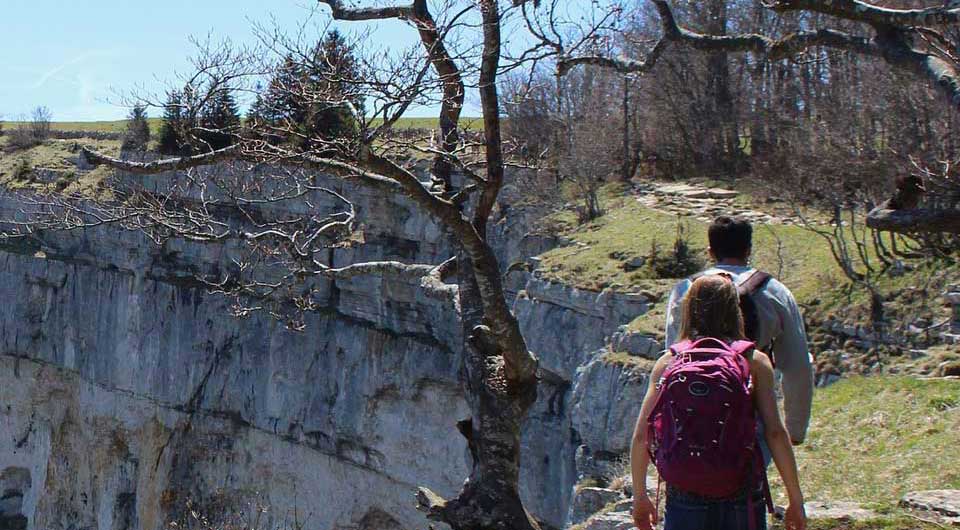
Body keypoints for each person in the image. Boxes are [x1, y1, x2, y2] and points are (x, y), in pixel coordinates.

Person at [632, 276, 806, 530]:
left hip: (684, 493)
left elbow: (641, 435)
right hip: (741, 492)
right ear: (735, 311)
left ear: (689, 310)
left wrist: (639, 497)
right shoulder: (754, 362)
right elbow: (775, 432)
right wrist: (795, 499)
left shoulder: (668, 363)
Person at [665, 216, 814, 446]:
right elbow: (797, 364)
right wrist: (795, 429)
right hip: (752, 412)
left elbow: (672, 357)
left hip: (692, 413)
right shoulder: (775, 292)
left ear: (710, 251)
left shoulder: (685, 290)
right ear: (748, 249)